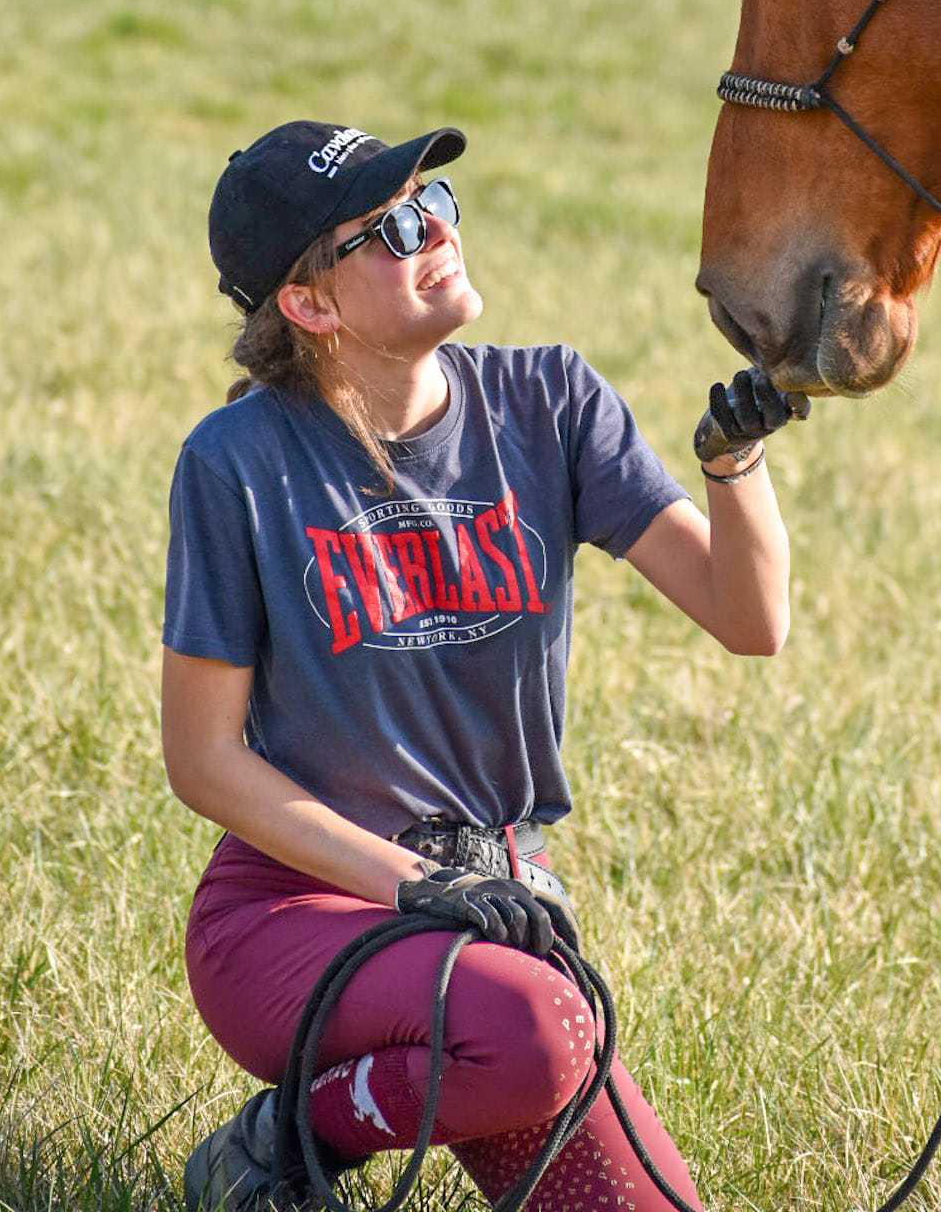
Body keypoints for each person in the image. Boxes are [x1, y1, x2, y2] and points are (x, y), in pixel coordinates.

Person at [162, 117, 802, 1212]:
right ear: (308, 305)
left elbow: (748, 619)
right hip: (299, 909)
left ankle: (342, 1105)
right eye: (392, 226)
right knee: (540, 1032)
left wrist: (732, 464)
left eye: (438, 204)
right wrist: (418, 883)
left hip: (494, 909)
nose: (436, 232)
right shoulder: (239, 462)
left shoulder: (547, 400)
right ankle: (288, 1136)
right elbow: (203, 760)